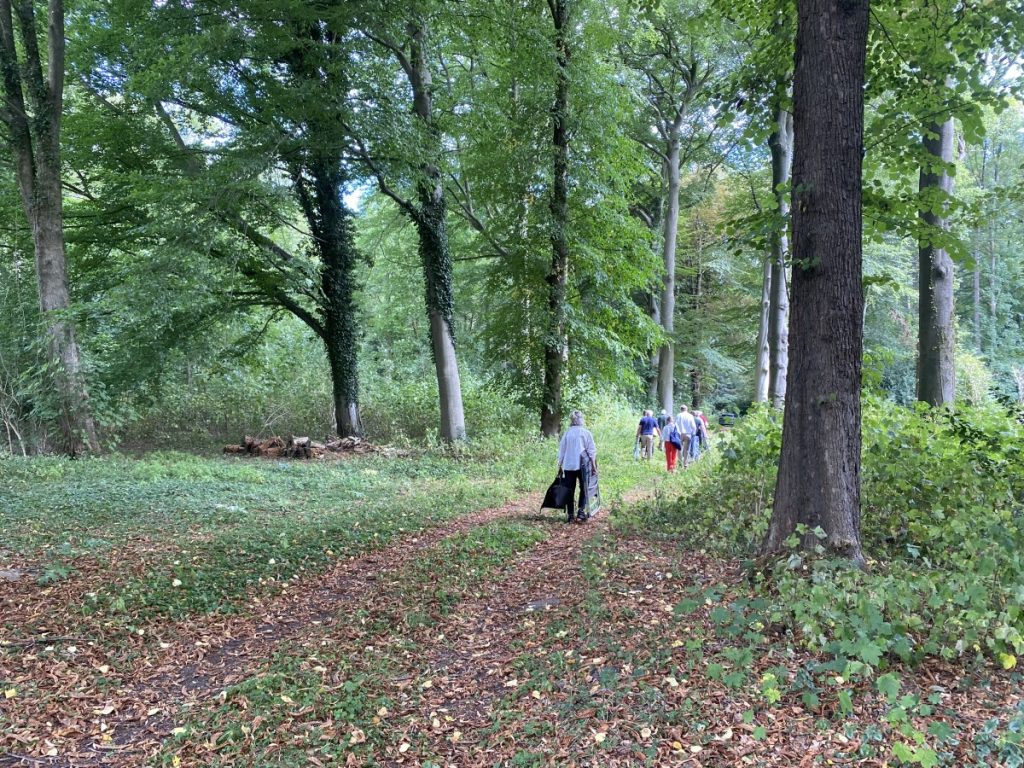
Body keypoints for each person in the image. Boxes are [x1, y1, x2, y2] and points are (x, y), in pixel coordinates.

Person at [557, 410, 598, 523]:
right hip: (582, 465)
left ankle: (570, 515)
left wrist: (559, 465)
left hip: (568, 465)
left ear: (571, 420)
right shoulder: (586, 433)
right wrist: (594, 467)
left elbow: (562, 451)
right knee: (584, 488)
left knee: (569, 490)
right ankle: (580, 512)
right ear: (581, 419)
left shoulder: (567, 433)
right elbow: (591, 451)